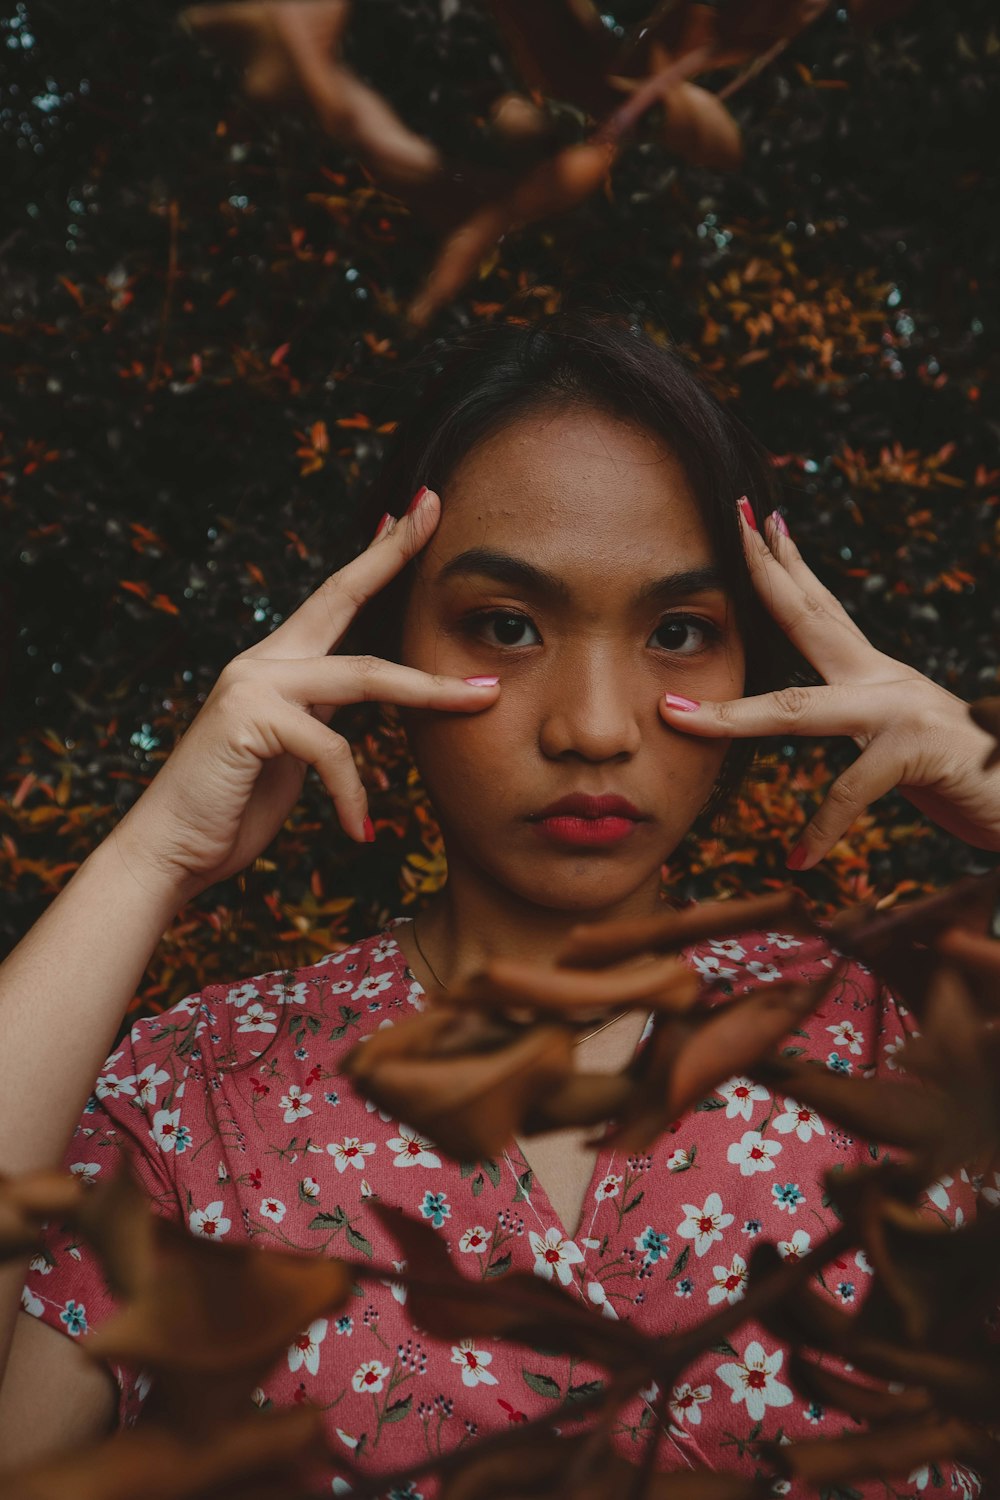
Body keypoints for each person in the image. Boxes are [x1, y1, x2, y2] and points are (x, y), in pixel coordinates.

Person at [1, 310, 998, 1497]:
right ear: (386, 646)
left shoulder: (901, 1054)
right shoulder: (202, 1096)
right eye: (506, 626)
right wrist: (146, 858)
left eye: (678, 631)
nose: (592, 725)